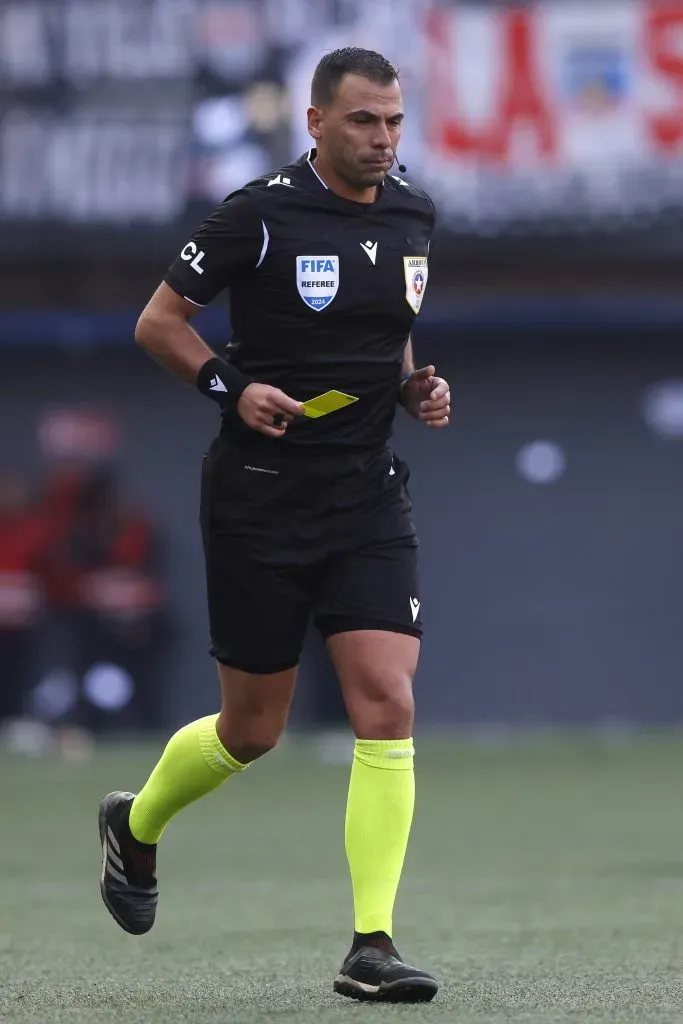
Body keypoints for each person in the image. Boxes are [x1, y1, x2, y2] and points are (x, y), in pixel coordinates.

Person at [98, 47, 450, 1004]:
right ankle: (135, 827)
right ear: (315, 123)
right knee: (253, 730)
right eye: (362, 123)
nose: (382, 140)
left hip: (368, 494)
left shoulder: (417, 213)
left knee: (388, 701)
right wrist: (231, 385)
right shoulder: (256, 214)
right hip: (258, 496)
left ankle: (370, 946)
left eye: (393, 123)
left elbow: (391, 327)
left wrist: (415, 385)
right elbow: (159, 323)